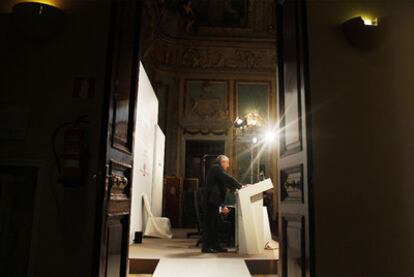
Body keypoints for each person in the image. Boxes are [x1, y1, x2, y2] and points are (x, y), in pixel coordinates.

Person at [202, 154, 242, 253]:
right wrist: (240, 186)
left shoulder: (216, 170)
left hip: (214, 201)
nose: (228, 165)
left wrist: (238, 187)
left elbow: (225, 183)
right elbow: (227, 178)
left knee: (215, 225)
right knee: (210, 225)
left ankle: (215, 246)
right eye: (227, 163)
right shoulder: (215, 168)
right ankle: (206, 247)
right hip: (211, 202)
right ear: (222, 162)